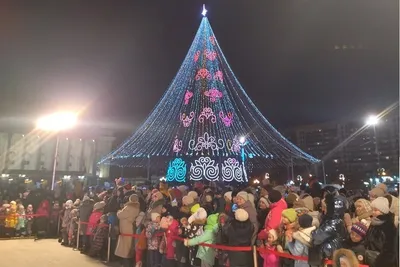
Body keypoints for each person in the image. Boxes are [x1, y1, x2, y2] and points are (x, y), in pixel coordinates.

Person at [364, 197, 397, 267]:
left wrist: (380, 262)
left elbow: (390, 248)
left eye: (376, 210)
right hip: (369, 258)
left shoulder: (389, 226)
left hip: (381, 262)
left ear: (383, 211)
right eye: (372, 209)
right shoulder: (374, 222)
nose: (373, 212)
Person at [115, 194, 140, 267]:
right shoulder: (137, 207)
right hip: (130, 227)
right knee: (128, 246)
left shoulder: (128, 207)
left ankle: (126, 263)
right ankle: (127, 262)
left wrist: (119, 211)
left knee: (125, 247)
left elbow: (120, 215)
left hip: (126, 228)